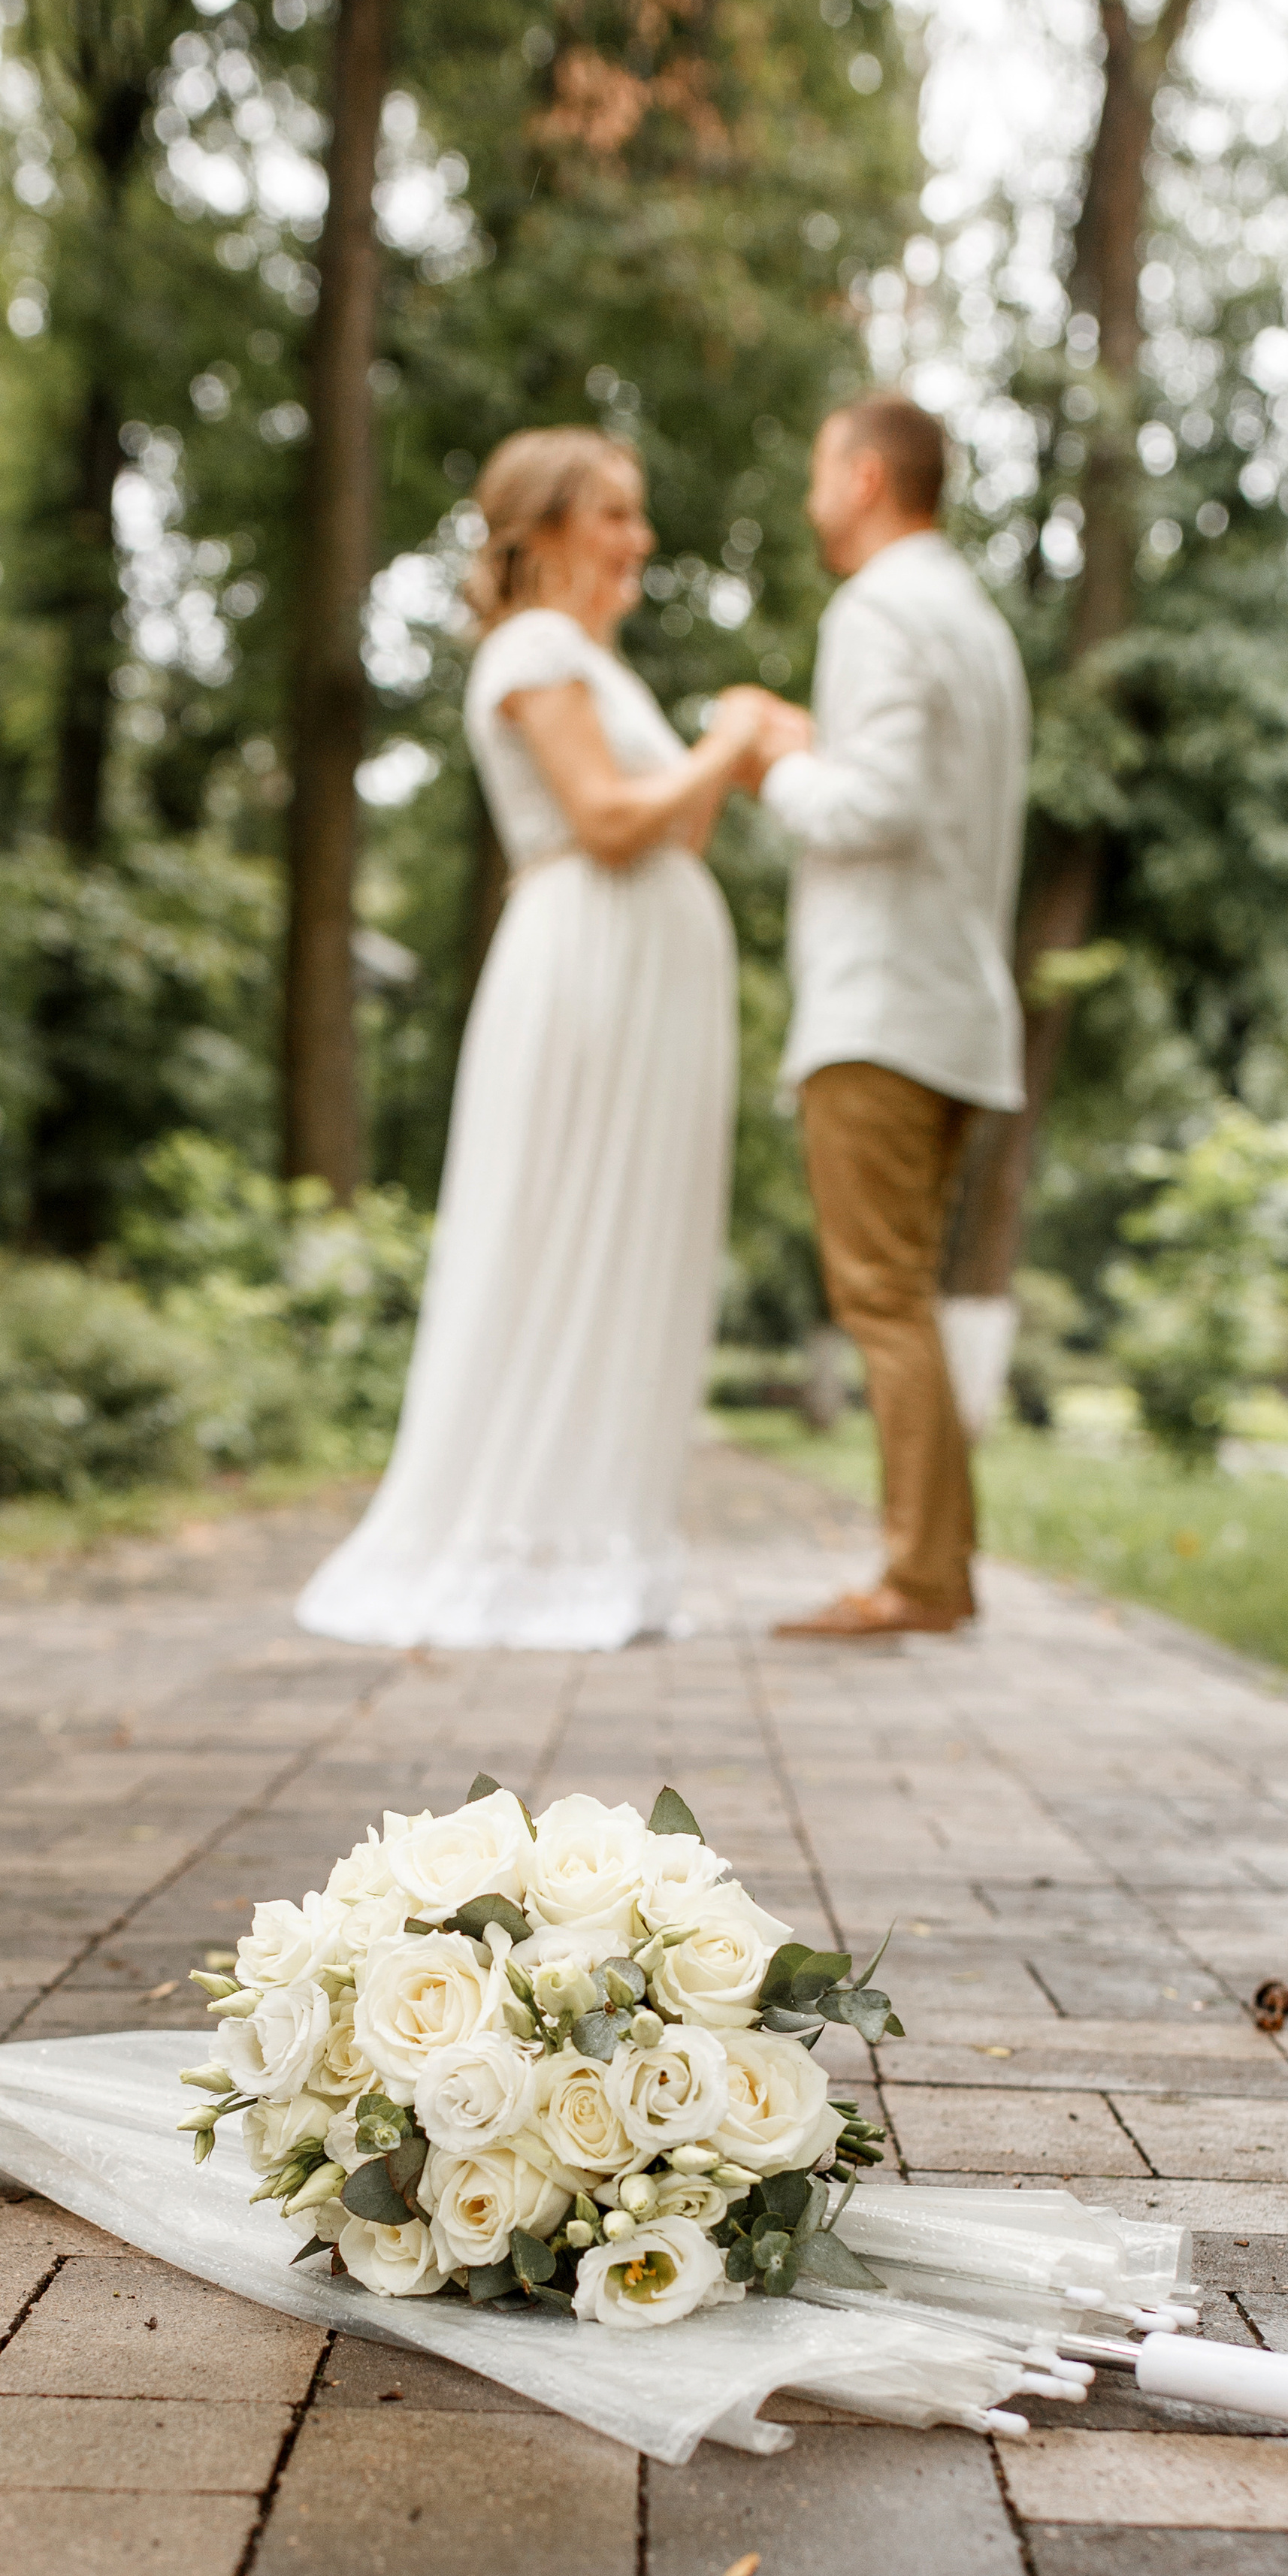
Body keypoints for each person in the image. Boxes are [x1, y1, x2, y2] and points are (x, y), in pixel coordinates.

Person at [297, 426, 806, 1651]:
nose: (639, 540)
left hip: (640, 978)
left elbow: (669, 832)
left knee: (630, 1243)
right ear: (539, 534)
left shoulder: (592, 661)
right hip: (587, 965)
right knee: (563, 1230)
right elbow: (611, 820)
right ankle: (527, 1539)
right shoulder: (533, 647)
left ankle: (600, 1535)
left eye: (638, 514)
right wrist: (731, 743)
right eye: (615, 515)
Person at [754, 391, 1031, 1640]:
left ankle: (919, 1579)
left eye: (821, 463)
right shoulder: (972, 621)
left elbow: (873, 809)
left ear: (865, 476)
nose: (815, 488)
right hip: (959, 1003)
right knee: (905, 1295)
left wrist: (771, 757)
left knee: (881, 1299)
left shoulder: (876, 607)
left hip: (882, 1008)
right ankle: (944, 1570)